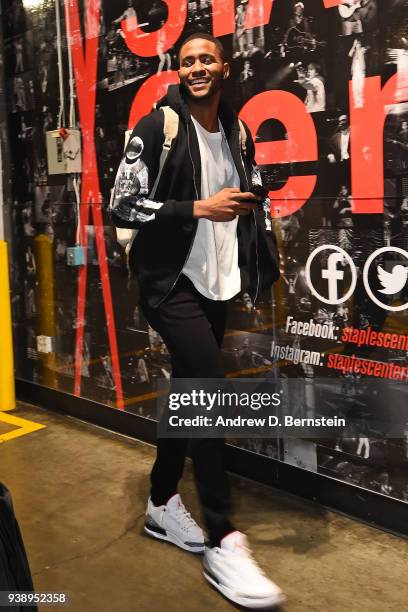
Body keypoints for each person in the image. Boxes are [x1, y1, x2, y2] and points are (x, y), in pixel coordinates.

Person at [111, 32, 283, 609]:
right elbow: (124, 204)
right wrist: (198, 208)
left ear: (223, 67)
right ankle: (223, 538)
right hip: (170, 283)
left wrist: (254, 193)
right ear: (178, 71)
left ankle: (161, 503)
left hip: (217, 282)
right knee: (209, 395)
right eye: (187, 61)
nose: (197, 67)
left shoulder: (234, 131)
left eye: (206, 58)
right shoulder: (158, 127)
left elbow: (245, 190)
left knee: (189, 394)